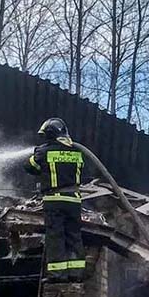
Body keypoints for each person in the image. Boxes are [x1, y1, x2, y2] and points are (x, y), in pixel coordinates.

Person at [24, 118, 86, 283]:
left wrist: (37, 153)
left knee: (55, 236)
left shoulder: (44, 152)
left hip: (55, 200)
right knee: (74, 235)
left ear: (50, 134)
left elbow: (30, 167)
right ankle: (76, 273)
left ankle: (57, 274)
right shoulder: (77, 152)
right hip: (74, 200)